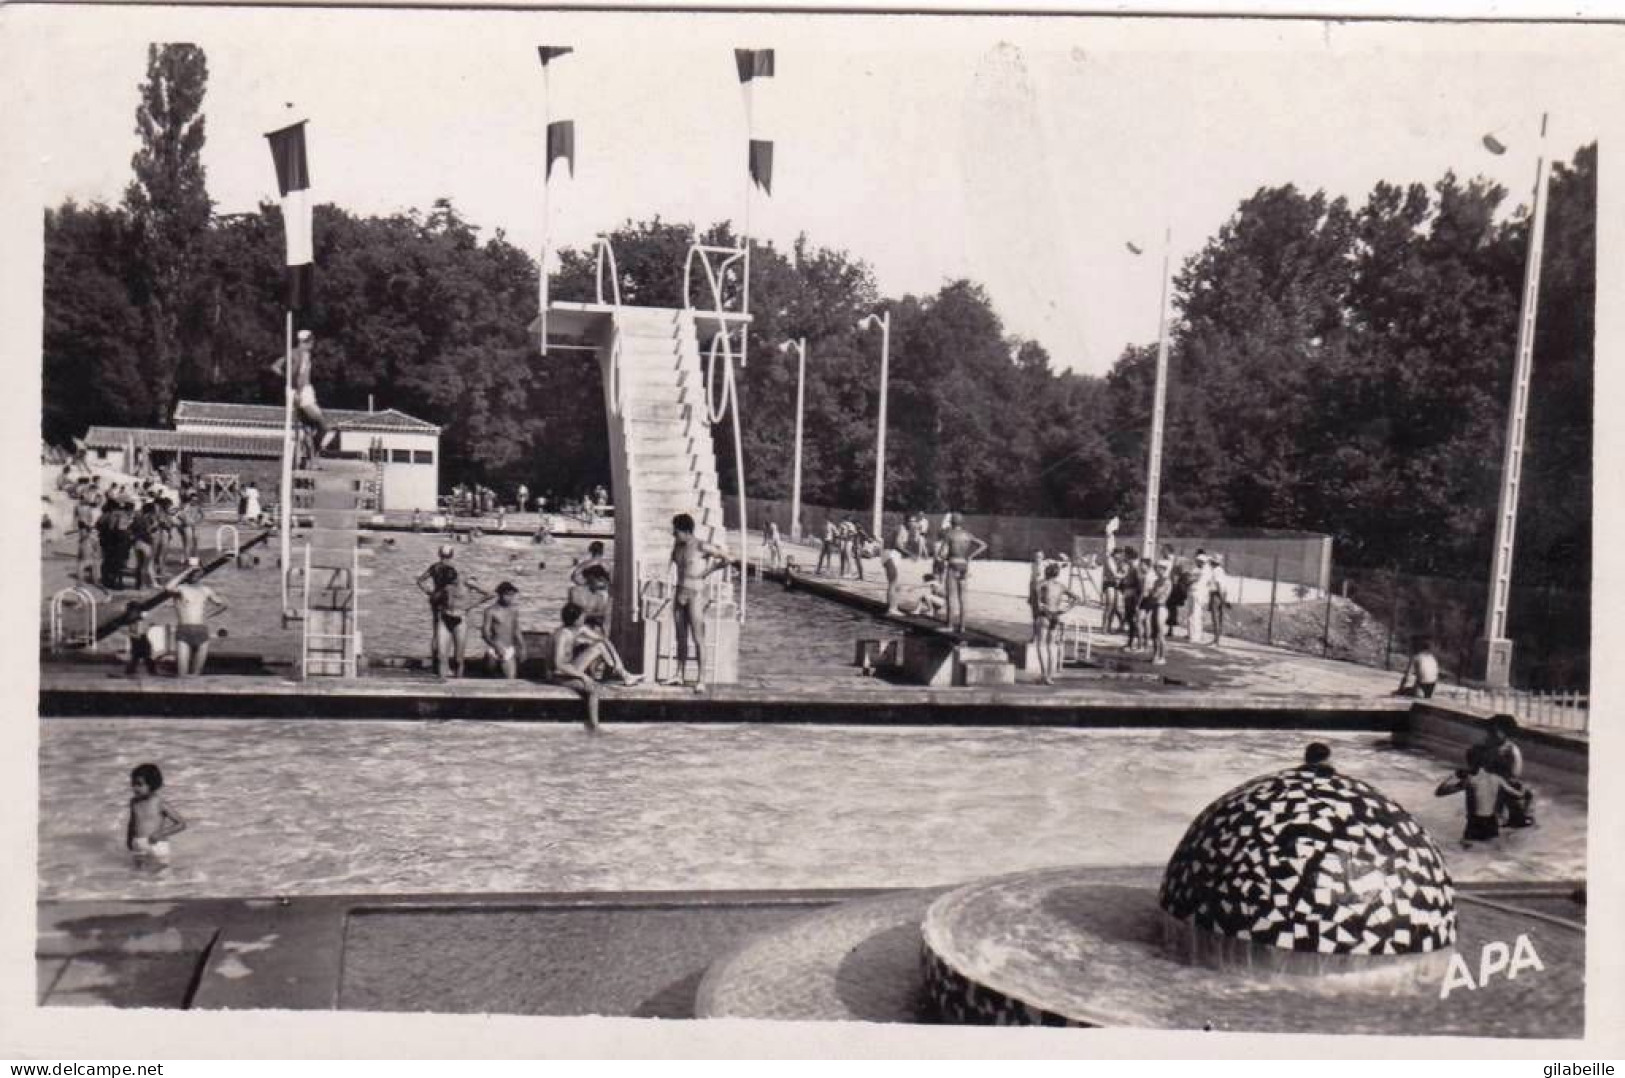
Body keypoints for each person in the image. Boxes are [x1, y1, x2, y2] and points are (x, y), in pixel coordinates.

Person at [665, 512, 728, 690]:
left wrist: (708, 572)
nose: (673, 534)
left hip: (696, 594)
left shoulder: (701, 546)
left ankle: (701, 679)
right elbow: (672, 566)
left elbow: (728, 558)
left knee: (698, 638)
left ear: (686, 530)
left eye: (676, 531)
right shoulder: (677, 547)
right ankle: (678, 674)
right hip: (680, 594)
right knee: (681, 638)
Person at [1435, 744, 1527, 848]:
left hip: (1474, 823)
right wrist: (1522, 789)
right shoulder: (1496, 779)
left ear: (1472, 763)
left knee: (1465, 851)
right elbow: (1519, 795)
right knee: (1494, 853)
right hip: (1492, 823)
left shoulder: (1471, 780)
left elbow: (1439, 792)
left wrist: (1454, 776)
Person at [270, 329, 332, 461]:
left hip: (302, 391)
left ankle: (311, 455)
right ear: (305, 342)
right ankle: (314, 452)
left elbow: (275, 366)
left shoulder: (297, 353)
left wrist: (284, 377)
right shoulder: (300, 355)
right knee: (323, 426)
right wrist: (295, 390)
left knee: (309, 428)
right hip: (301, 392)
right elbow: (296, 375)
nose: (313, 343)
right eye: (311, 341)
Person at [163, 559, 228, 677]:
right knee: (182, 674)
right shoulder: (181, 589)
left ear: (201, 572)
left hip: (201, 631)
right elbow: (168, 587)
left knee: (196, 675)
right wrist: (187, 570)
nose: (194, 574)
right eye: (191, 572)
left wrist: (208, 615)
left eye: (196, 571)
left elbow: (223, 605)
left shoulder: (205, 590)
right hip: (184, 631)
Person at [937, 513, 989, 635]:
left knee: (951, 597)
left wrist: (945, 558)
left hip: (953, 563)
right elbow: (983, 545)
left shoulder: (949, 535)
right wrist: (970, 556)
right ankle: (962, 626)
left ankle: (950, 625)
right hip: (964, 564)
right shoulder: (967, 535)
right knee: (963, 598)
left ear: (951, 523)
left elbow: (941, 554)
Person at [1482, 714, 1537, 828]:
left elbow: (1514, 773)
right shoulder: (1491, 746)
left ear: (1505, 733)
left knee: (1518, 820)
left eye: (1493, 731)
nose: (1489, 734)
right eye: (1489, 731)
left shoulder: (1512, 750)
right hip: (1497, 785)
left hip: (1508, 786)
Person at [127, 763, 186, 867]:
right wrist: (129, 839)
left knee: (161, 875)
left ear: (152, 785)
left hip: (157, 844)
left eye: (139, 784)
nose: (135, 788)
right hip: (138, 845)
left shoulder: (158, 803)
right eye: (133, 783)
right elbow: (132, 822)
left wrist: (161, 833)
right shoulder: (134, 802)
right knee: (138, 875)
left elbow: (181, 824)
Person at [1034, 562, 1083, 686]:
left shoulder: (1041, 584)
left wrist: (1040, 606)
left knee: (1041, 645)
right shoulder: (1061, 586)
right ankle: (1050, 676)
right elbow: (1077, 598)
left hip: (1045, 615)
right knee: (1051, 646)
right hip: (1056, 615)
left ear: (1046, 572)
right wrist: (1066, 609)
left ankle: (1044, 675)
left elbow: (1037, 602)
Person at [416, 545, 461, 672]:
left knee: (436, 630)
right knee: (447, 629)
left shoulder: (434, 567)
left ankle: (436, 663)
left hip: (435, 598)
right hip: (446, 599)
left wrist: (428, 592)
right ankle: (444, 664)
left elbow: (419, 580)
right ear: (452, 555)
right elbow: (454, 587)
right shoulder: (452, 569)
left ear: (439, 554)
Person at [481, 581, 526, 679]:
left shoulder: (513, 610)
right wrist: (495, 646)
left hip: (508, 648)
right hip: (494, 648)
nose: (510, 598)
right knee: (489, 679)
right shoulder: (490, 611)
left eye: (512, 595)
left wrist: (522, 647)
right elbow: (485, 633)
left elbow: (516, 630)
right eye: (507, 595)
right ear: (500, 594)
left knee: (510, 679)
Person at [1147, 557, 1174, 665]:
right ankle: (1155, 654)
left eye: (1158, 568)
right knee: (1154, 633)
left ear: (1163, 569)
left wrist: (1152, 593)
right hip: (1154, 606)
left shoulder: (1166, 581)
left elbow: (1156, 594)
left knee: (1160, 632)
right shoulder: (1156, 581)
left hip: (1161, 607)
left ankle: (1162, 656)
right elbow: (1152, 595)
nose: (1156, 570)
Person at [122, 602, 157, 677]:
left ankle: (153, 673)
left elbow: (138, 635)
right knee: (136, 660)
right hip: (136, 644)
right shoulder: (131, 622)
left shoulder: (139, 622)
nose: (129, 613)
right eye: (129, 611)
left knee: (145, 660)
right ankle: (130, 672)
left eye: (131, 612)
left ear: (137, 612)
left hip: (142, 644)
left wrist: (126, 633)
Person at [1119, 549, 1143, 650]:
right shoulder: (1131, 567)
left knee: (1134, 621)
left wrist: (1137, 602)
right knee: (1130, 620)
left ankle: (1137, 644)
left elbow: (1140, 586)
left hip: (1133, 597)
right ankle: (1130, 642)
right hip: (1129, 596)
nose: (1123, 558)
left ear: (1129, 556)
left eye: (1125, 556)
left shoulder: (1136, 568)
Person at [1207, 554, 1231, 645]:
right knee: (1218, 617)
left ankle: (1216, 640)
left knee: (1215, 617)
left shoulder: (1217, 571)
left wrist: (1221, 598)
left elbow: (1218, 584)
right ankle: (1216, 639)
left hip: (1217, 594)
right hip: (1219, 594)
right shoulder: (1219, 570)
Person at [1100, 548, 1122, 634]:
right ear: (1116, 553)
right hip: (1109, 584)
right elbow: (1114, 574)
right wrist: (1125, 575)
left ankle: (1109, 626)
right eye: (1119, 554)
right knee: (1109, 606)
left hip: (1115, 584)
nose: (1120, 557)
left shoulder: (1117, 561)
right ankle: (1104, 627)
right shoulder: (1110, 560)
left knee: (1115, 608)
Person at [882, 544, 904, 615]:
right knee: (893, 583)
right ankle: (892, 608)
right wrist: (910, 553)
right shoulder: (898, 532)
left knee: (896, 585)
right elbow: (897, 544)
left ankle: (891, 606)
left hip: (890, 555)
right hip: (891, 556)